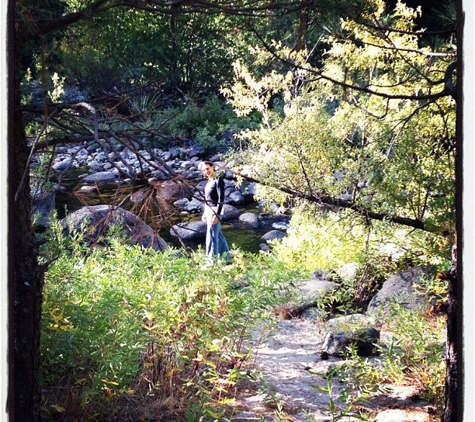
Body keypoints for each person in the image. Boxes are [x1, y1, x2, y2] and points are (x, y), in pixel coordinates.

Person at [198, 161, 230, 263]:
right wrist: (204, 212)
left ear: (213, 168)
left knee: (211, 237)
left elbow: (221, 199)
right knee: (218, 235)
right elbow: (207, 199)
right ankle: (226, 257)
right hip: (209, 211)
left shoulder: (218, 181)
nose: (206, 171)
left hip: (215, 211)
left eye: (207, 168)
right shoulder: (209, 181)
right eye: (204, 170)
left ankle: (211, 262)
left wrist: (217, 215)